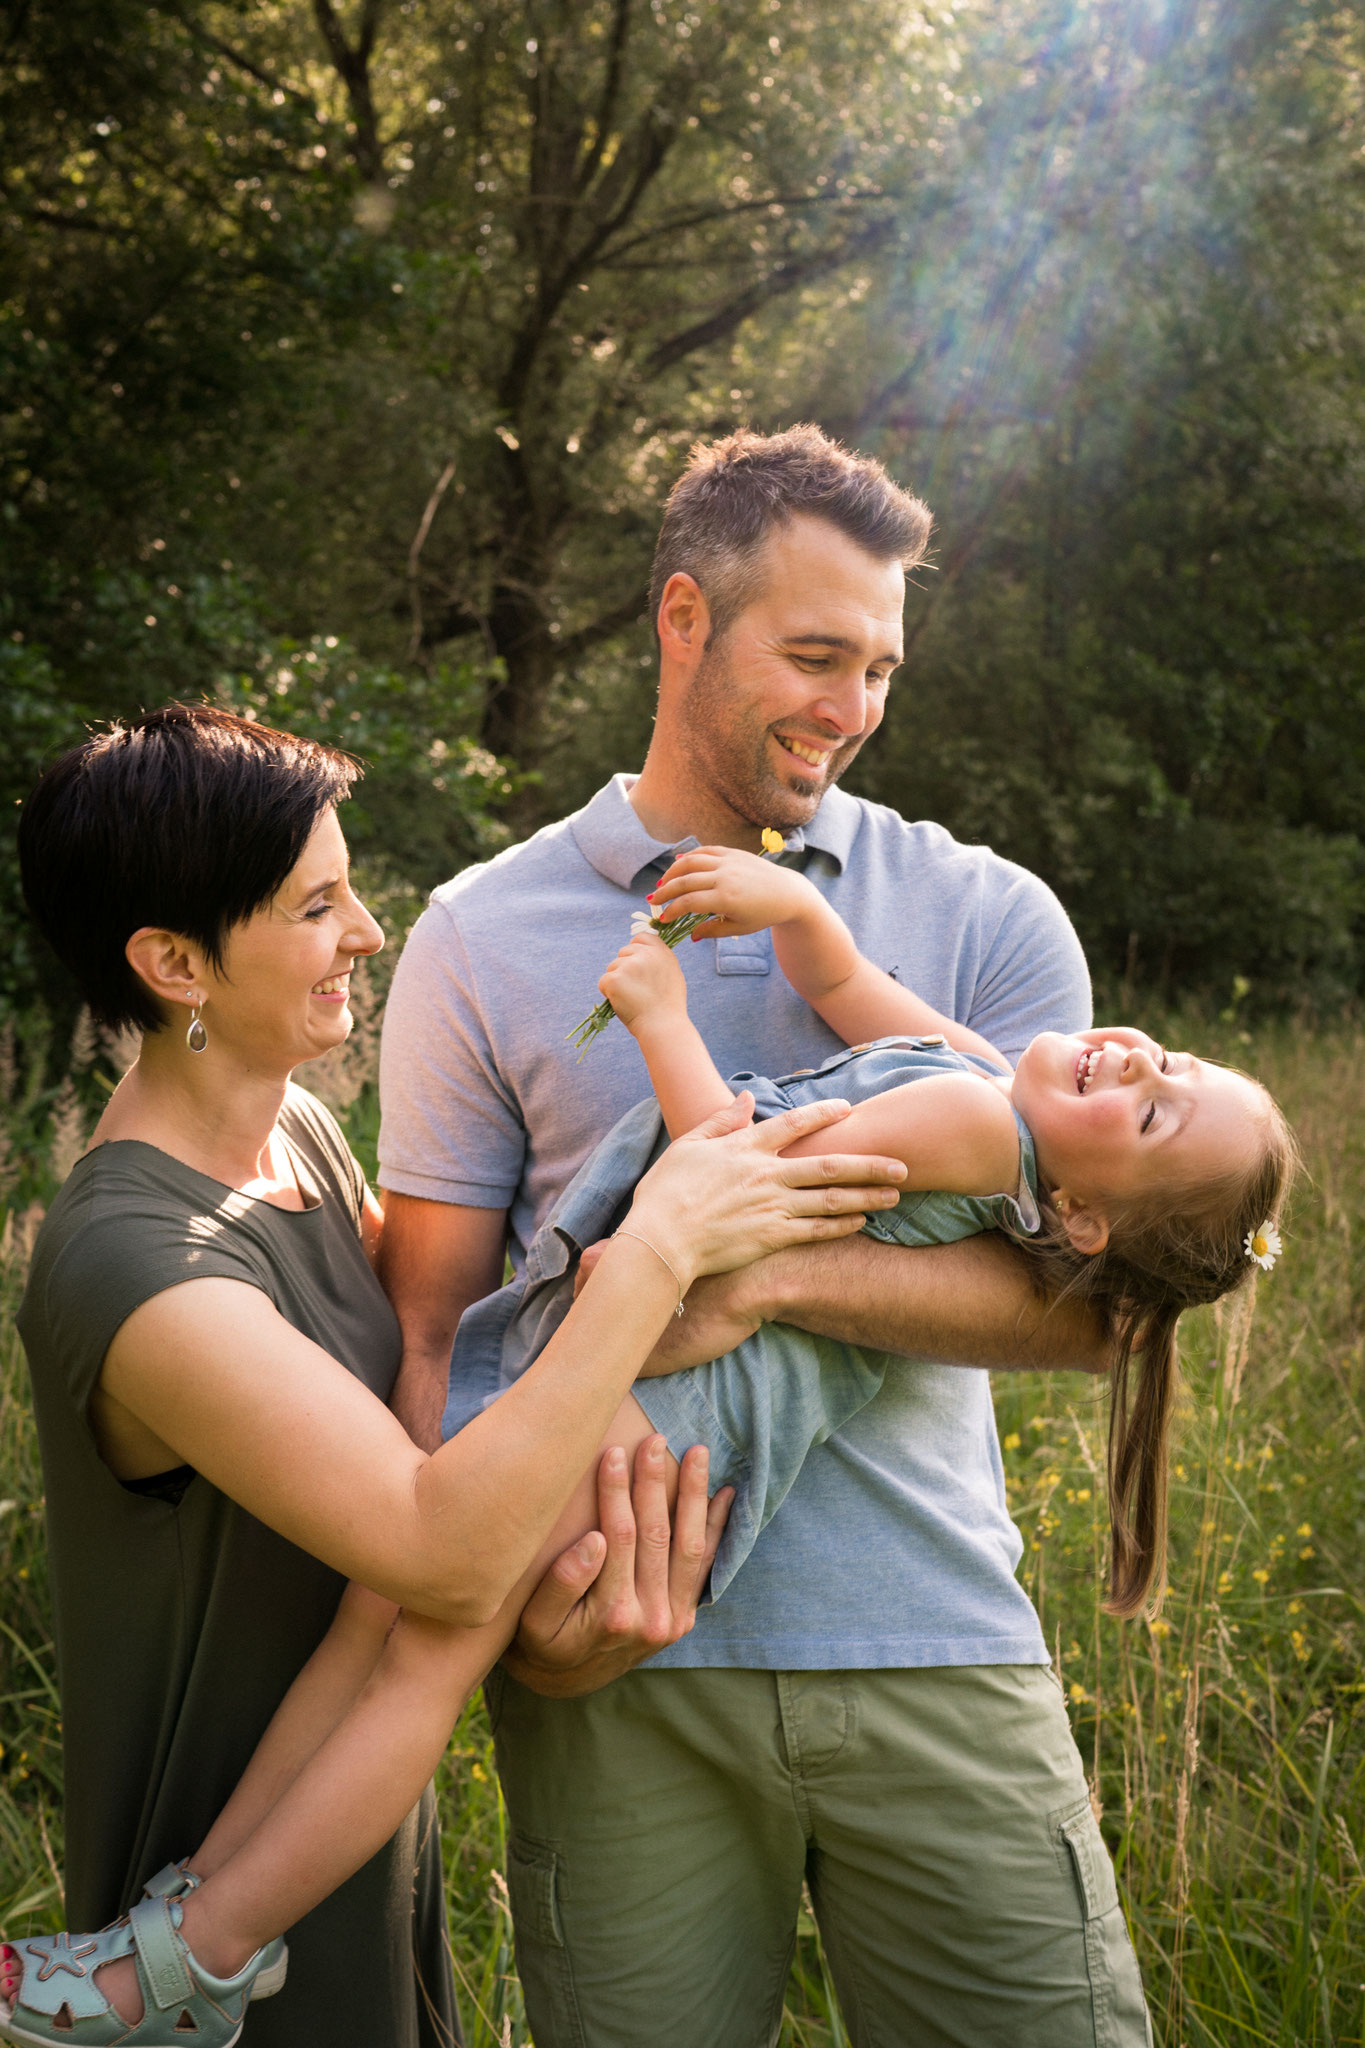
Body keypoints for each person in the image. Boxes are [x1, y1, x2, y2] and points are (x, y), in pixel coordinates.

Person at [377, 423, 1160, 2046]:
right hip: (617, 1669)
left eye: (878, 666)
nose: (851, 708)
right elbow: (432, 1332)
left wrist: (763, 1273)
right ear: (683, 622)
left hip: (937, 1639)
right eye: (812, 655)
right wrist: (499, 1617)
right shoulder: (475, 937)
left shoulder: (991, 917)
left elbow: (1083, 1307)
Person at [0, 705, 901, 2048]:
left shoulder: (299, 1140)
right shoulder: (131, 1260)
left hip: (358, 1846)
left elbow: (475, 1378)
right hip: (209, 1892)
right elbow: (438, 1547)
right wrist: (662, 1246)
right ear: (174, 962)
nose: (367, 933)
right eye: (316, 907)